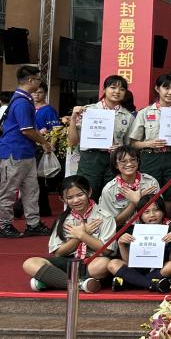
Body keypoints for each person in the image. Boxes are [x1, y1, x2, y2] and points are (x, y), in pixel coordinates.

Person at [22, 175, 116, 292]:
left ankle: (53, 281)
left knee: (104, 264)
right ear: (62, 199)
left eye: (80, 195)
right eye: (69, 197)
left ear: (89, 192)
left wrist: (83, 235)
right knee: (30, 263)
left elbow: (106, 250)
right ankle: (80, 284)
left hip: (91, 262)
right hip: (68, 261)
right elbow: (58, 253)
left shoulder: (105, 217)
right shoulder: (62, 220)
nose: (76, 200)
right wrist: (79, 237)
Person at [0, 66, 54, 237]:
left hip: (25, 152)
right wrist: (44, 142)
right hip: (14, 153)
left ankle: (33, 224)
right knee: (8, 191)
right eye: (38, 79)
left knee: (31, 190)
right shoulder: (22, 102)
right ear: (30, 80)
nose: (39, 83)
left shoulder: (23, 99)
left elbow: (29, 129)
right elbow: (27, 130)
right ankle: (3, 225)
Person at [127, 73, 171, 213]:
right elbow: (133, 143)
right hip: (150, 158)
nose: (170, 92)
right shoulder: (144, 113)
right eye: (166, 88)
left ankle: (168, 225)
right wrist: (149, 144)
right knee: (150, 195)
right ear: (157, 89)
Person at [67, 75, 134, 200]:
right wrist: (73, 118)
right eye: (113, 87)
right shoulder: (87, 111)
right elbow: (73, 141)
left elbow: (128, 145)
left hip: (114, 160)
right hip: (91, 159)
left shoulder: (128, 116)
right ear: (104, 90)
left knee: (112, 197)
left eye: (122, 89)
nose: (117, 91)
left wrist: (120, 149)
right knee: (88, 195)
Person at [107, 197, 171, 292]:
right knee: (113, 264)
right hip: (137, 270)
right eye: (146, 212)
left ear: (163, 211)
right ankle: (152, 284)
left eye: (156, 210)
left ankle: (131, 282)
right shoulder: (134, 230)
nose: (152, 215)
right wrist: (121, 244)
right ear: (140, 215)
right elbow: (128, 261)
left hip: (158, 270)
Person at [98, 146, 160, 225]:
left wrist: (142, 202)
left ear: (138, 161)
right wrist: (134, 203)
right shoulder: (109, 189)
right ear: (116, 165)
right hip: (123, 230)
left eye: (133, 159)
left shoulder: (151, 182)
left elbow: (160, 213)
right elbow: (110, 224)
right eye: (123, 161)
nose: (129, 164)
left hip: (149, 227)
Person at [31, 80, 62, 219]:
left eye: (40, 92)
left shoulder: (48, 110)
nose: (36, 95)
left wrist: (50, 145)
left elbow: (56, 130)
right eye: (34, 92)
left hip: (41, 148)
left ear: (45, 93)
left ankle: (41, 209)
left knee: (37, 180)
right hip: (29, 147)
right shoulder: (28, 108)